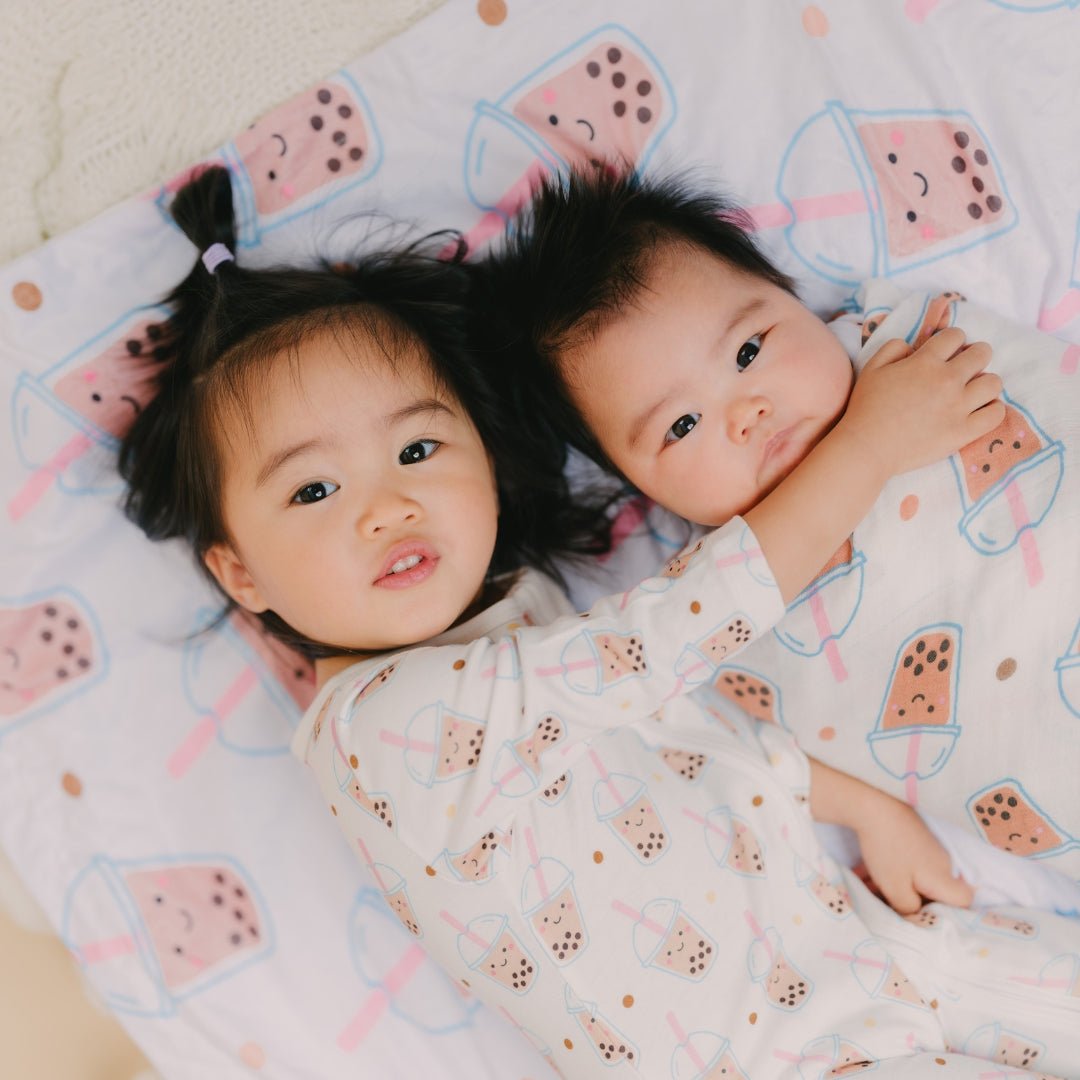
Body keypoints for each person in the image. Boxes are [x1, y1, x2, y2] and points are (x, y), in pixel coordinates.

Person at [119, 166, 1080, 1078]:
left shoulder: (520, 627)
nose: (387, 507)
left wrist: (864, 808)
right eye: (314, 489)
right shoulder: (378, 733)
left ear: (488, 463)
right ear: (241, 573)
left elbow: (694, 737)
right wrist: (865, 447)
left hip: (882, 960)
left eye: (417, 447)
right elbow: (670, 636)